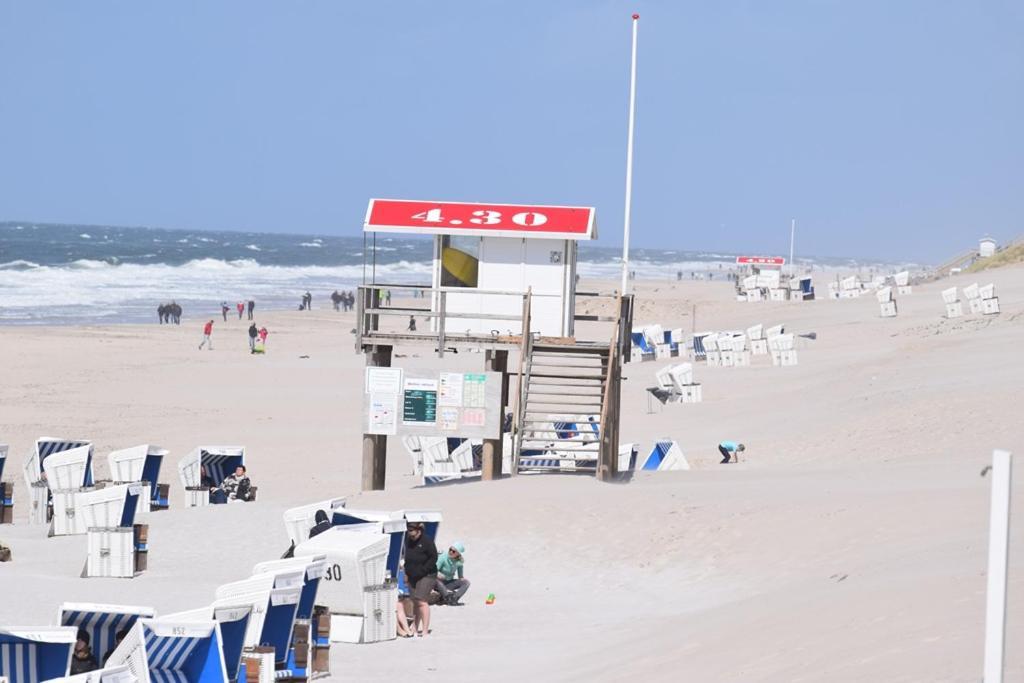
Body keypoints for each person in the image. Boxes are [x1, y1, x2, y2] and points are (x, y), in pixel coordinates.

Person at [403, 522, 438, 636]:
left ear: (419, 531)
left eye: (413, 534)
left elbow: (434, 558)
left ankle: (425, 630)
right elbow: (407, 558)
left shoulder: (427, 541)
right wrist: (407, 573)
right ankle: (415, 627)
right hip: (412, 575)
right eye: (409, 533)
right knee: (414, 602)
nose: (411, 536)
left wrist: (422, 570)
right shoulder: (408, 540)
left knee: (421, 600)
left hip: (427, 574)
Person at [435, 541, 470, 606]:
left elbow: (461, 577)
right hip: (438, 583)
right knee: (436, 580)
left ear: (458, 553)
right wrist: (439, 574)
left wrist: (462, 580)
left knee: (466, 582)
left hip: (448, 583)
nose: (451, 552)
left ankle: (454, 599)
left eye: (453, 551)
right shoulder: (443, 557)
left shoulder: (459, 561)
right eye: (450, 549)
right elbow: (433, 570)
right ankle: (447, 598)